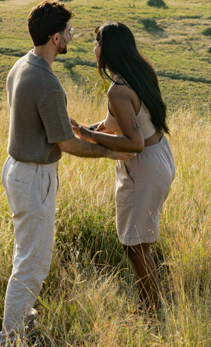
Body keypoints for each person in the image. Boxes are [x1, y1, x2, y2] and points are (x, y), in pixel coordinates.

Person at [0, 0, 134, 347]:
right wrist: (108, 152)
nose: (72, 36)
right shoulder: (48, 84)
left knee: (25, 254)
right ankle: (10, 346)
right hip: (34, 175)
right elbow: (66, 144)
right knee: (33, 264)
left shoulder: (21, 65)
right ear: (56, 38)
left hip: (16, 168)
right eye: (69, 32)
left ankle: (22, 320)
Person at [70, 21, 175, 315]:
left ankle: (150, 313)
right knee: (142, 244)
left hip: (143, 166)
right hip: (161, 156)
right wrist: (88, 128)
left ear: (105, 49)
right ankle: (151, 307)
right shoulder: (141, 73)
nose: (94, 49)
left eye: (96, 43)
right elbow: (124, 122)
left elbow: (134, 141)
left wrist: (91, 137)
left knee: (135, 247)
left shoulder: (117, 90)